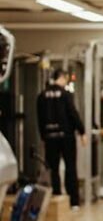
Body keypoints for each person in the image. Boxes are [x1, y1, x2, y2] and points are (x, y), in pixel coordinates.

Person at [36, 68, 86, 210]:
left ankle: (57, 196)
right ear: (62, 77)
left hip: (50, 137)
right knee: (70, 167)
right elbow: (72, 113)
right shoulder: (65, 94)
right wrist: (82, 131)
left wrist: (43, 136)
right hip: (66, 137)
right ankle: (73, 202)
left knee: (54, 169)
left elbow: (39, 118)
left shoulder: (42, 95)